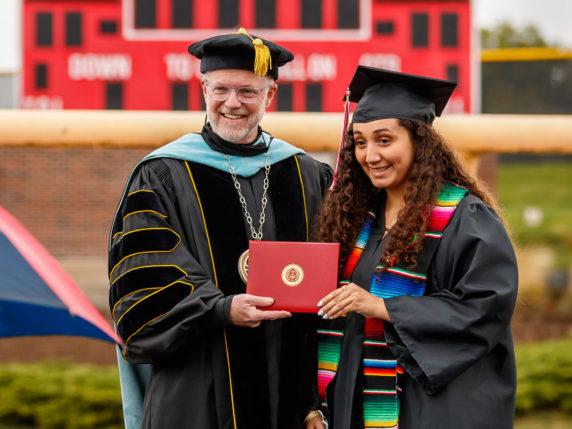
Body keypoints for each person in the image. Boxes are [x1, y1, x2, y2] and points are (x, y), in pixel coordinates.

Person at [108, 28, 332, 429]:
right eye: (221, 89)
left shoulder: (306, 174)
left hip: (292, 388)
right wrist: (221, 307)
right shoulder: (162, 174)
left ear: (270, 96)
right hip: (197, 386)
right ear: (203, 90)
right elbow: (143, 278)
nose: (233, 103)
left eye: (248, 92)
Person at [313, 66, 518, 429]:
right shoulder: (356, 222)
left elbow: (486, 308)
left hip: (432, 410)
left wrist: (382, 306)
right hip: (355, 406)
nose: (370, 155)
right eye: (360, 142)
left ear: (419, 142)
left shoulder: (464, 218)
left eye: (384, 140)